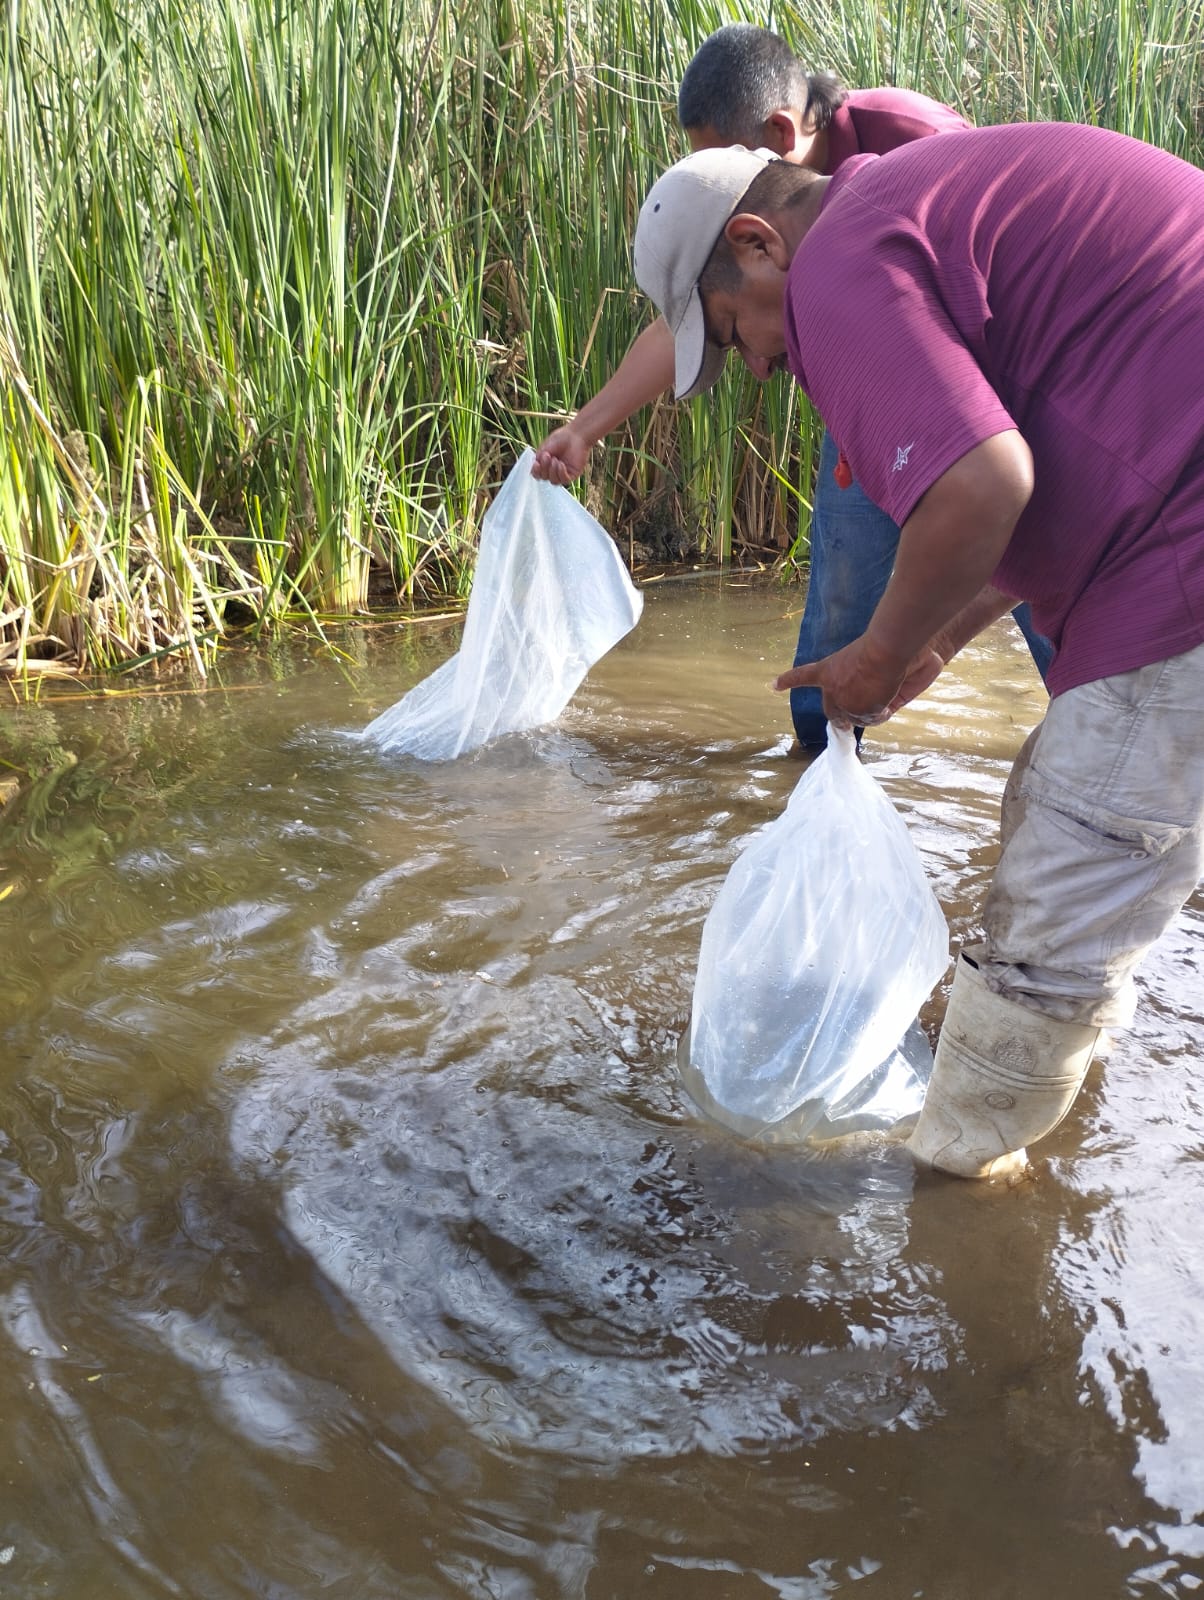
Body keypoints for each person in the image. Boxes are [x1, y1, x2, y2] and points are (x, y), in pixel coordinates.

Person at [629, 126, 1204, 1179]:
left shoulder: (835, 270)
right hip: (1164, 512)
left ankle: (971, 1220)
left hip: (1181, 545)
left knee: (1052, 921)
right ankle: (1061, 1137)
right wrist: (936, 633)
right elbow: (1039, 471)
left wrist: (879, 653)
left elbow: (983, 483)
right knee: (1072, 855)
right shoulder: (898, 203)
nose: (754, 369)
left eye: (727, 331)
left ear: (757, 246)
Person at [532, 23, 1053, 749]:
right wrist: (585, 427)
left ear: (778, 134)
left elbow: (996, 318)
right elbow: (702, 308)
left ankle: (1090, 692)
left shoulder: (910, 139)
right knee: (843, 588)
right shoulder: (760, 226)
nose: (753, 366)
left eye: (723, 160)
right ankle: (823, 763)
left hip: (989, 392)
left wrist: (934, 632)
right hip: (870, 389)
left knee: (1045, 566)